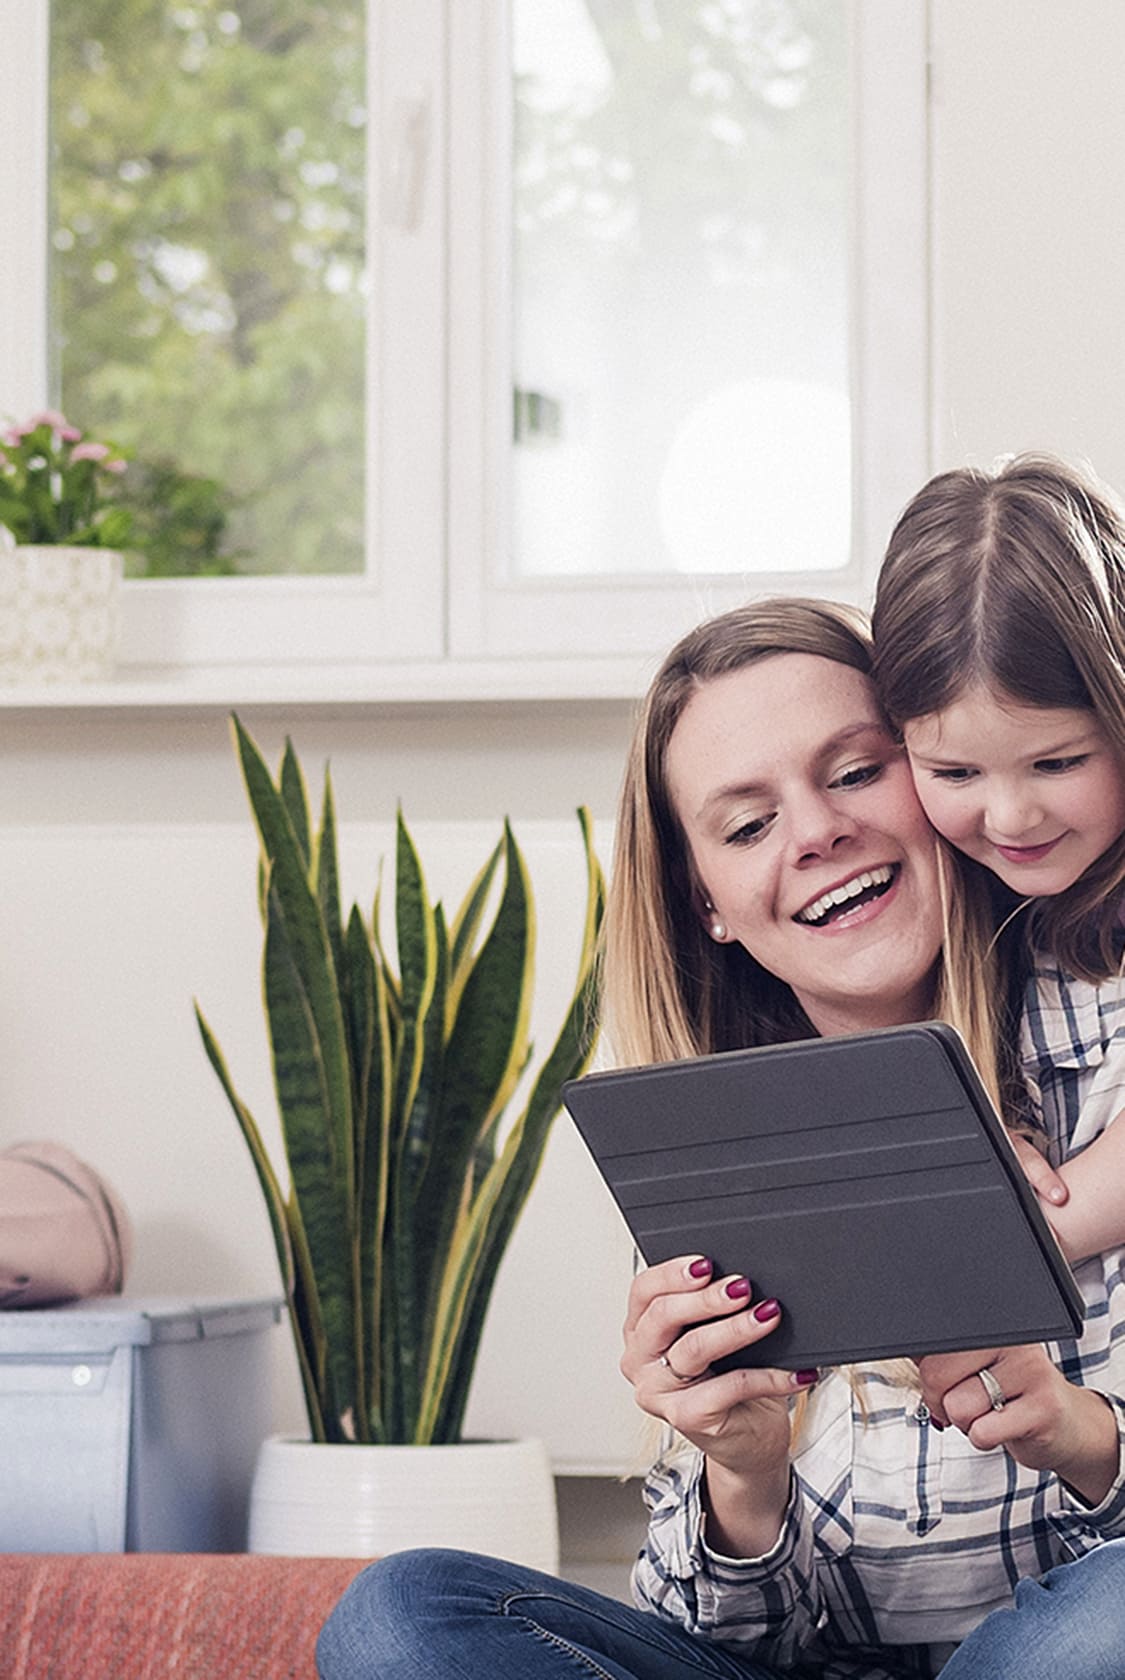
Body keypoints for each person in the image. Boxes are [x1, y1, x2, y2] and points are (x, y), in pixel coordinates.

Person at [316, 599, 1125, 1680]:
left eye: (854, 773)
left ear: (941, 776)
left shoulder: (1103, 1032)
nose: (816, 833)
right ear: (709, 905)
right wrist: (742, 1479)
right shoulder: (713, 1148)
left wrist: (1081, 1437)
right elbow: (725, 1646)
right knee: (396, 1616)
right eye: (746, 826)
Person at [871, 452, 1125, 1265]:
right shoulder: (960, 917)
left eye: (1057, 763)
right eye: (953, 773)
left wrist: (1012, 1235)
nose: (1010, 816)